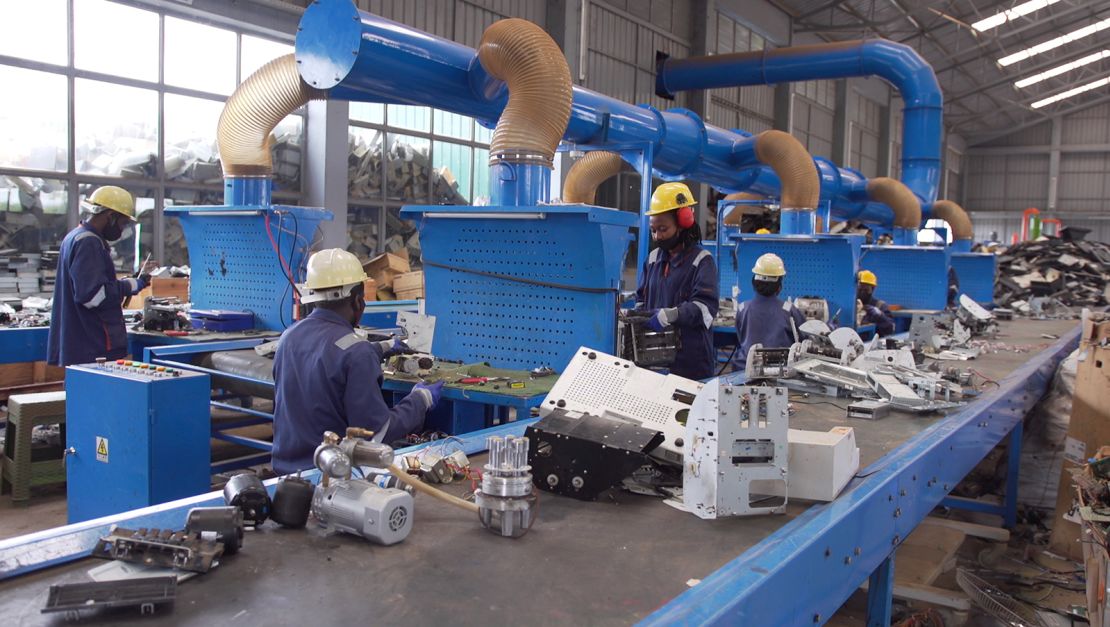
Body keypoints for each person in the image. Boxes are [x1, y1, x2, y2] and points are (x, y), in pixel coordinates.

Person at [271, 248, 443, 474]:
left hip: (285, 475)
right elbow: (377, 434)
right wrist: (420, 400)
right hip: (332, 478)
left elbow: (328, 358)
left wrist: (379, 348)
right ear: (358, 302)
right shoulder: (356, 352)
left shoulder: (288, 338)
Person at [48, 186, 154, 367]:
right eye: (122, 223)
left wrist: (127, 283)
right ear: (111, 216)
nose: (121, 230)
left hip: (81, 344)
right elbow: (93, 296)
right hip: (92, 345)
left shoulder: (74, 237)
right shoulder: (89, 242)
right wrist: (129, 285)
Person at [634, 182, 719, 380]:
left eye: (663, 229)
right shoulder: (654, 259)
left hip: (690, 365)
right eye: (653, 230)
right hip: (654, 361)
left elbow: (705, 309)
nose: (657, 236)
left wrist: (671, 315)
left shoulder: (702, 261)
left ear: (684, 221)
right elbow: (641, 299)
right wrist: (636, 316)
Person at [731, 253, 807, 371]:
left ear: (754, 283)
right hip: (779, 373)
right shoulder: (788, 310)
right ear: (779, 286)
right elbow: (805, 339)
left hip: (744, 370)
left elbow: (740, 338)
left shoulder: (743, 308)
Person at [857, 269, 895, 337]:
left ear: (872, 289)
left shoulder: (880, 306)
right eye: (860, 289)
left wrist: (880, 316)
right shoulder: (852, 306)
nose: (862, 292)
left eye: (866, 289)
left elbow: (891, 329)